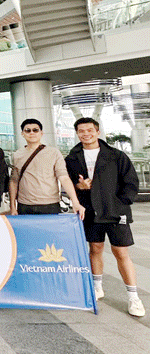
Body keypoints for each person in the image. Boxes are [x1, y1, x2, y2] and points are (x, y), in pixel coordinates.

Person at [65, 117, 145, 317]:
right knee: (95, 248)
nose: (86, 134)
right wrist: (79, 186)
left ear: (98, 132)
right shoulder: (72, 158)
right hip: (90, 211)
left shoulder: (116, 155)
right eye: (81, 131)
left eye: (90, 130)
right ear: (77, 133)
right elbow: (67, 183)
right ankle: (97, 286)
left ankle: (133, 297)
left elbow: (131, 182)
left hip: (115, 212)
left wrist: (121, 203)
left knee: (121, 253)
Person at [9, 118, 85, 218]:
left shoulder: (54, 153)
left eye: (35, 130)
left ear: (41, 133)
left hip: (50, 204)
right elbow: (14, 181)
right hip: (25, 205)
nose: (32, 133)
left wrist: (75, 202)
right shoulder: (17, 155)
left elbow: (64, 178)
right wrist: (13, 207)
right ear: (22, 133)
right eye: (28, 130)